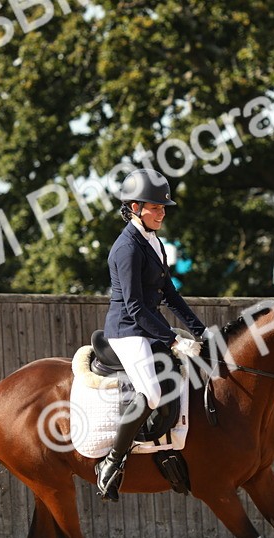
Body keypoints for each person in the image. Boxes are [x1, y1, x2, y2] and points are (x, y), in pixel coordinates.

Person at [96, 168, 206, 502]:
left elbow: (170, 295)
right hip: (127, 331)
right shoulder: (126, 248)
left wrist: (201, 332)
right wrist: (174, 339)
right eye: (155, 207)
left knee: (186, 374)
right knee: (153, 394)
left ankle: (166, 448)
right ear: (134, 207)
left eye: (163, 207)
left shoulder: (155, 242)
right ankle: (112, 462)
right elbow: (134, 307)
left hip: (148, 326)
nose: (162, 212)